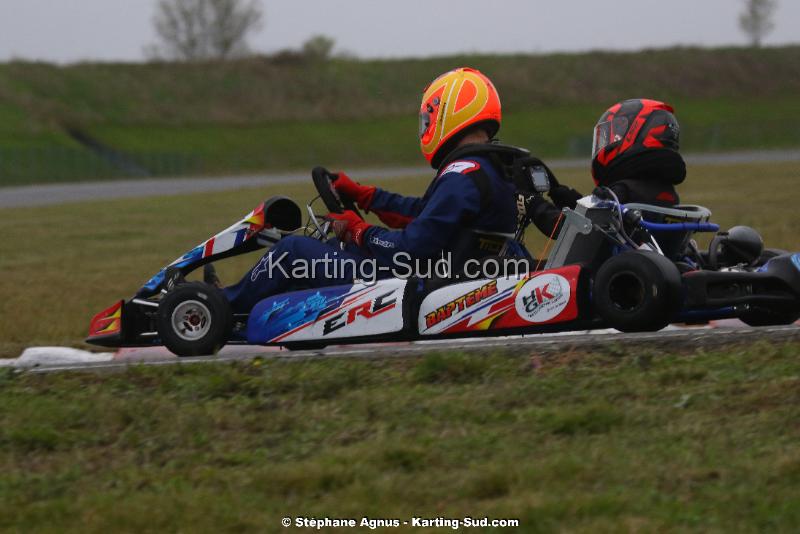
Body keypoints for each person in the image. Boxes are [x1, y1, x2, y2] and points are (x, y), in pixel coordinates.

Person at [220, 67, 520, 313]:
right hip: (441, 276)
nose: (425, 126)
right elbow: (424, 215)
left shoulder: (461, 177)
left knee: (292, 251)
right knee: (339, 251)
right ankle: (256, 308)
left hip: (415, 285)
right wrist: (367, 196)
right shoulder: (487, 170)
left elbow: (411, 248)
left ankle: (219, 306)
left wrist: (360, 231)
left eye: (428, 118)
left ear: (448, 114)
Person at [525, 98, 686, 237]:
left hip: (611, 269)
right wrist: (560, 192)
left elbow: (574, 230)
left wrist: (530, 202)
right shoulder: (667, 194)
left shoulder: (623, 191)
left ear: (635, 134)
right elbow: (595, 215)